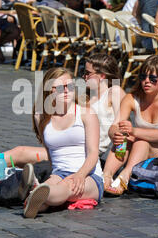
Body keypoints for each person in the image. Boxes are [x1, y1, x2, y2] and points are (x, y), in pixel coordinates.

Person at [0, 54, 126, 172]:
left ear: (102, 76)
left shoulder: (114, 92)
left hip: (83, 153)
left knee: (20, 153)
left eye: (88, 73)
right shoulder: (85, 96)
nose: (84, 77)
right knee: (20, 156)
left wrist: (110, 173)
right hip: (68, 145)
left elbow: (121, 133)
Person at [21, 67, 103, 218]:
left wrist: (80, 174)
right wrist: (56, 176)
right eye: (60, 88)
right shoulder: (41, 116)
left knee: (66, 187)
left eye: (70, 86)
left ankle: (35, 190)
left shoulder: (86, 113)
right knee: (50, 190)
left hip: (89, 174)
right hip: (59, 172)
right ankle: (37, 200)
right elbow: (50, 152)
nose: (66, 91)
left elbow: (93, 153)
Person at [102, 55, 158, 196]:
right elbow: (114, 127)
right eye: (143, 77)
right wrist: (116, 135)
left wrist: (134, 131)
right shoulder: (132, 98)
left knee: (140, 140)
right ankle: (106, 176)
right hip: (139, 149)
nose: (146, 82)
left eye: (153, 78)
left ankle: (125, 176)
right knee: (124, 138)